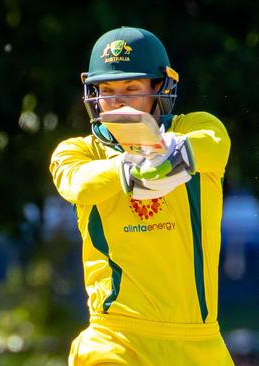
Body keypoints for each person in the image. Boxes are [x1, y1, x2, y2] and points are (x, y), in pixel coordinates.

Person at [49, 26, 234, 365]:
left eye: (132, 89)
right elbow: (76, 182)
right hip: (114, 339)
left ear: (159, 88)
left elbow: (215, 144)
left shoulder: (193, 128)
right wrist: (128, 169)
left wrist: (173, 155)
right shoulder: (80, 151)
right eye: (107, 90)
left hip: (198, 344)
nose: (118, 101)